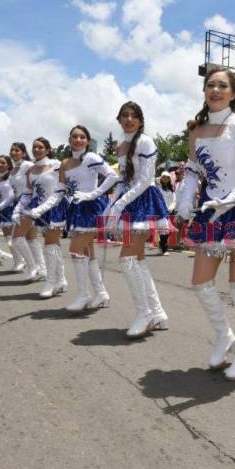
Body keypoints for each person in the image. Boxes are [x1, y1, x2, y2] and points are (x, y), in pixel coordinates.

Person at [176, 67, 235, 380]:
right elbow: (192, 172)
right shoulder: (197, 130)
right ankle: (224, 335)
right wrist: (184, 203)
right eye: (210, 85)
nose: (215, 90)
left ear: (232, 93)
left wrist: (231, 199)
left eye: (222, 85)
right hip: (210, 210)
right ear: (204, 91)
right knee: (201, 283)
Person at [103, 102, 169, 339]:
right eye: (125, 116)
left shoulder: (145, 141)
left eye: (134, 116)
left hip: (142, 201)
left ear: (141, 120)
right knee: (138, 260)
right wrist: (111, 206)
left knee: (128, 259)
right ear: (119, 119)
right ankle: (157, 312)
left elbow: (144, 180)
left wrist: (120, 204)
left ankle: (145, 313)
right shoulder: (121, 146)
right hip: (128, 201)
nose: (129, 119)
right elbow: (123, 180)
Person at [62, 125, 118, 312]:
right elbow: (63, 189)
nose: (78, 140)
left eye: (82, 137)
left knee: (75, 249)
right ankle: (101, 293)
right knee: (87, 252)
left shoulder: (91, 158)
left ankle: (84, 294)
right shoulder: (66, 163)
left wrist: (94, 194)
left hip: (92, 208)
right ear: (69, 139)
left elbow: (112, 176)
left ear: (87, 141)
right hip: (76, 208)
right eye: (74, 137)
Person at [13, 138, 69, 298]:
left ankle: (51, 282)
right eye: (34, 147)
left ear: (47, 149)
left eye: (40, 147)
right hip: (38, 209)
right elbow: (27, 194)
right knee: (54, 245)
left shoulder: (57, 165)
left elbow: (63, 187)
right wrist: (17, 209)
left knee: (50, 245)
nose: (36, 149)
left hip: (56, 207)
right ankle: (61, 279)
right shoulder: (31, 170)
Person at [9, 142, 42, 279]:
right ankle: (43, 269)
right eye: (12, 150)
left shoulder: (28, 166)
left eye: (17, 150)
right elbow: (15, 191)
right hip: (19, 204)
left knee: (16, 238)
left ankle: (32, 266)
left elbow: (35, 185)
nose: (13, 152)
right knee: (31, 239)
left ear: (23, 153)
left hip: (29, 204)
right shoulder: (12, 171)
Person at [156, 171, 176, 255]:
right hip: (160, 211)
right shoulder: (157, 189)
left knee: (169, 230)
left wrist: (171, 208)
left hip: (169, 211)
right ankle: (164, 249)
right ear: (161, 179)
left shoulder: (171, 190)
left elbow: (174, 200)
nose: (165, 179)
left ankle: (161, 245)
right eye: (163, 177)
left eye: (167, 177)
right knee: (163, 229)